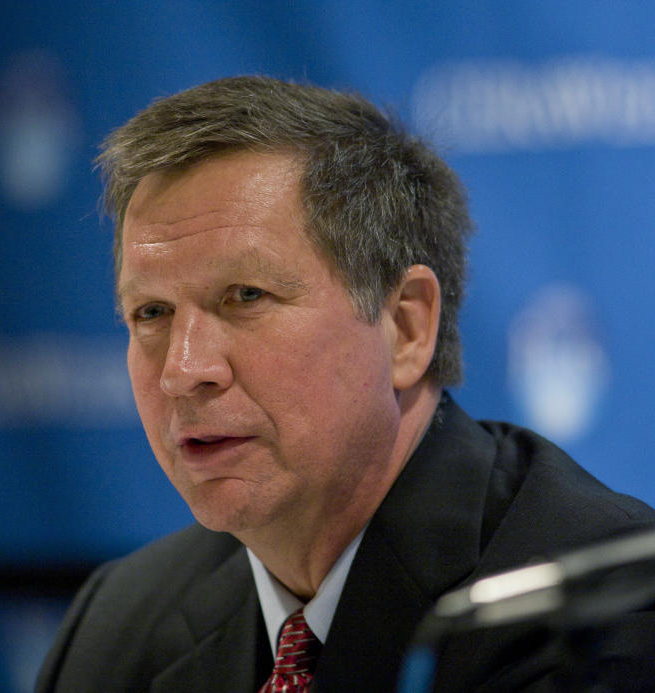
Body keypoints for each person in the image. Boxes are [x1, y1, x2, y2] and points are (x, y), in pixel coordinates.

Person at [35, 76, 655, 692]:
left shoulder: (596, 620)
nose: (183, 370)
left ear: (406, 327)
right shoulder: (116, 624)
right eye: (151, 314)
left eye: (246, 296)